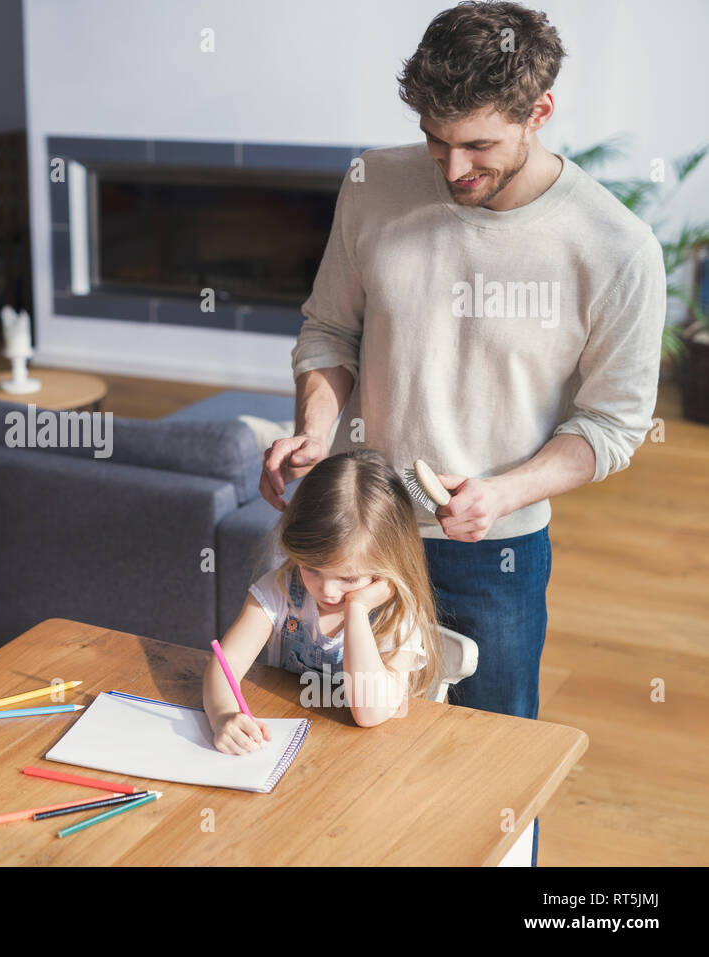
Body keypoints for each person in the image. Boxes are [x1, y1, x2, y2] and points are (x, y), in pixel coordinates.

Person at [259, 3, 665, 865]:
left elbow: (614, 424)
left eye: (478, 145)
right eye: (435, 139)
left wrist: (506, 489)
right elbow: (330, 330)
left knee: (492, 766)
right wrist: (313, 427)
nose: (452, 166)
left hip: (495, 553)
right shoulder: (374, 181)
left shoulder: (615, 247)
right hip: (364, 534)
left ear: (539, 112)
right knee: (345, 737)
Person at [205, 450, 442, 752]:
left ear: (387, 565)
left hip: (370, 761)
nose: (327, 591)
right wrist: (223, 715)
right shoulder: (280, 590)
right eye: (312, 569)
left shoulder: (397, 615)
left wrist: (356, 610)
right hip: (288, 747)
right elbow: (226, 664)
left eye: (348, 578)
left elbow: (369, 712)